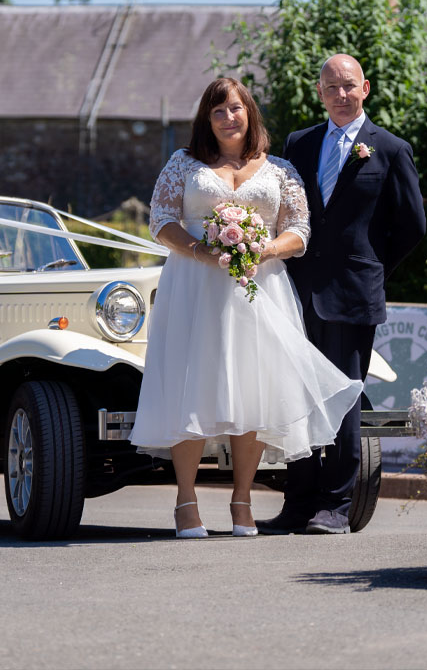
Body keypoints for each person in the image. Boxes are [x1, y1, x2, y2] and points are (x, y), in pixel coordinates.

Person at [129, 77, 363, 539]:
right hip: (194, 287)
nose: (228, 117)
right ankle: (186, 502)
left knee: (252, 391)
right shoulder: (183, 163)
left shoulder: (279, 169)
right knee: (190, 386)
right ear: (206, 119)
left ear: (249, 113)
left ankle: (242, 501)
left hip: (260, 288)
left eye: (235, 108)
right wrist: (200, 250)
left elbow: (300, 229)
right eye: (217, 111)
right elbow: (161, 220)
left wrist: (264, 250)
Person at [257, 54, 426, 535]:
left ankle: (335, 506)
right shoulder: (299, 144)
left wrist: (372, 269)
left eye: (349, 85)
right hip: (298, 292)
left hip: (353, 294)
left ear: (365, 88)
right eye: (332, 87)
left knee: (344, 397)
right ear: (320, 92)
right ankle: (297, 503)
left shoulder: (390, 149)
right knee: (297, 397)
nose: (341, 94)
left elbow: (412, 225)